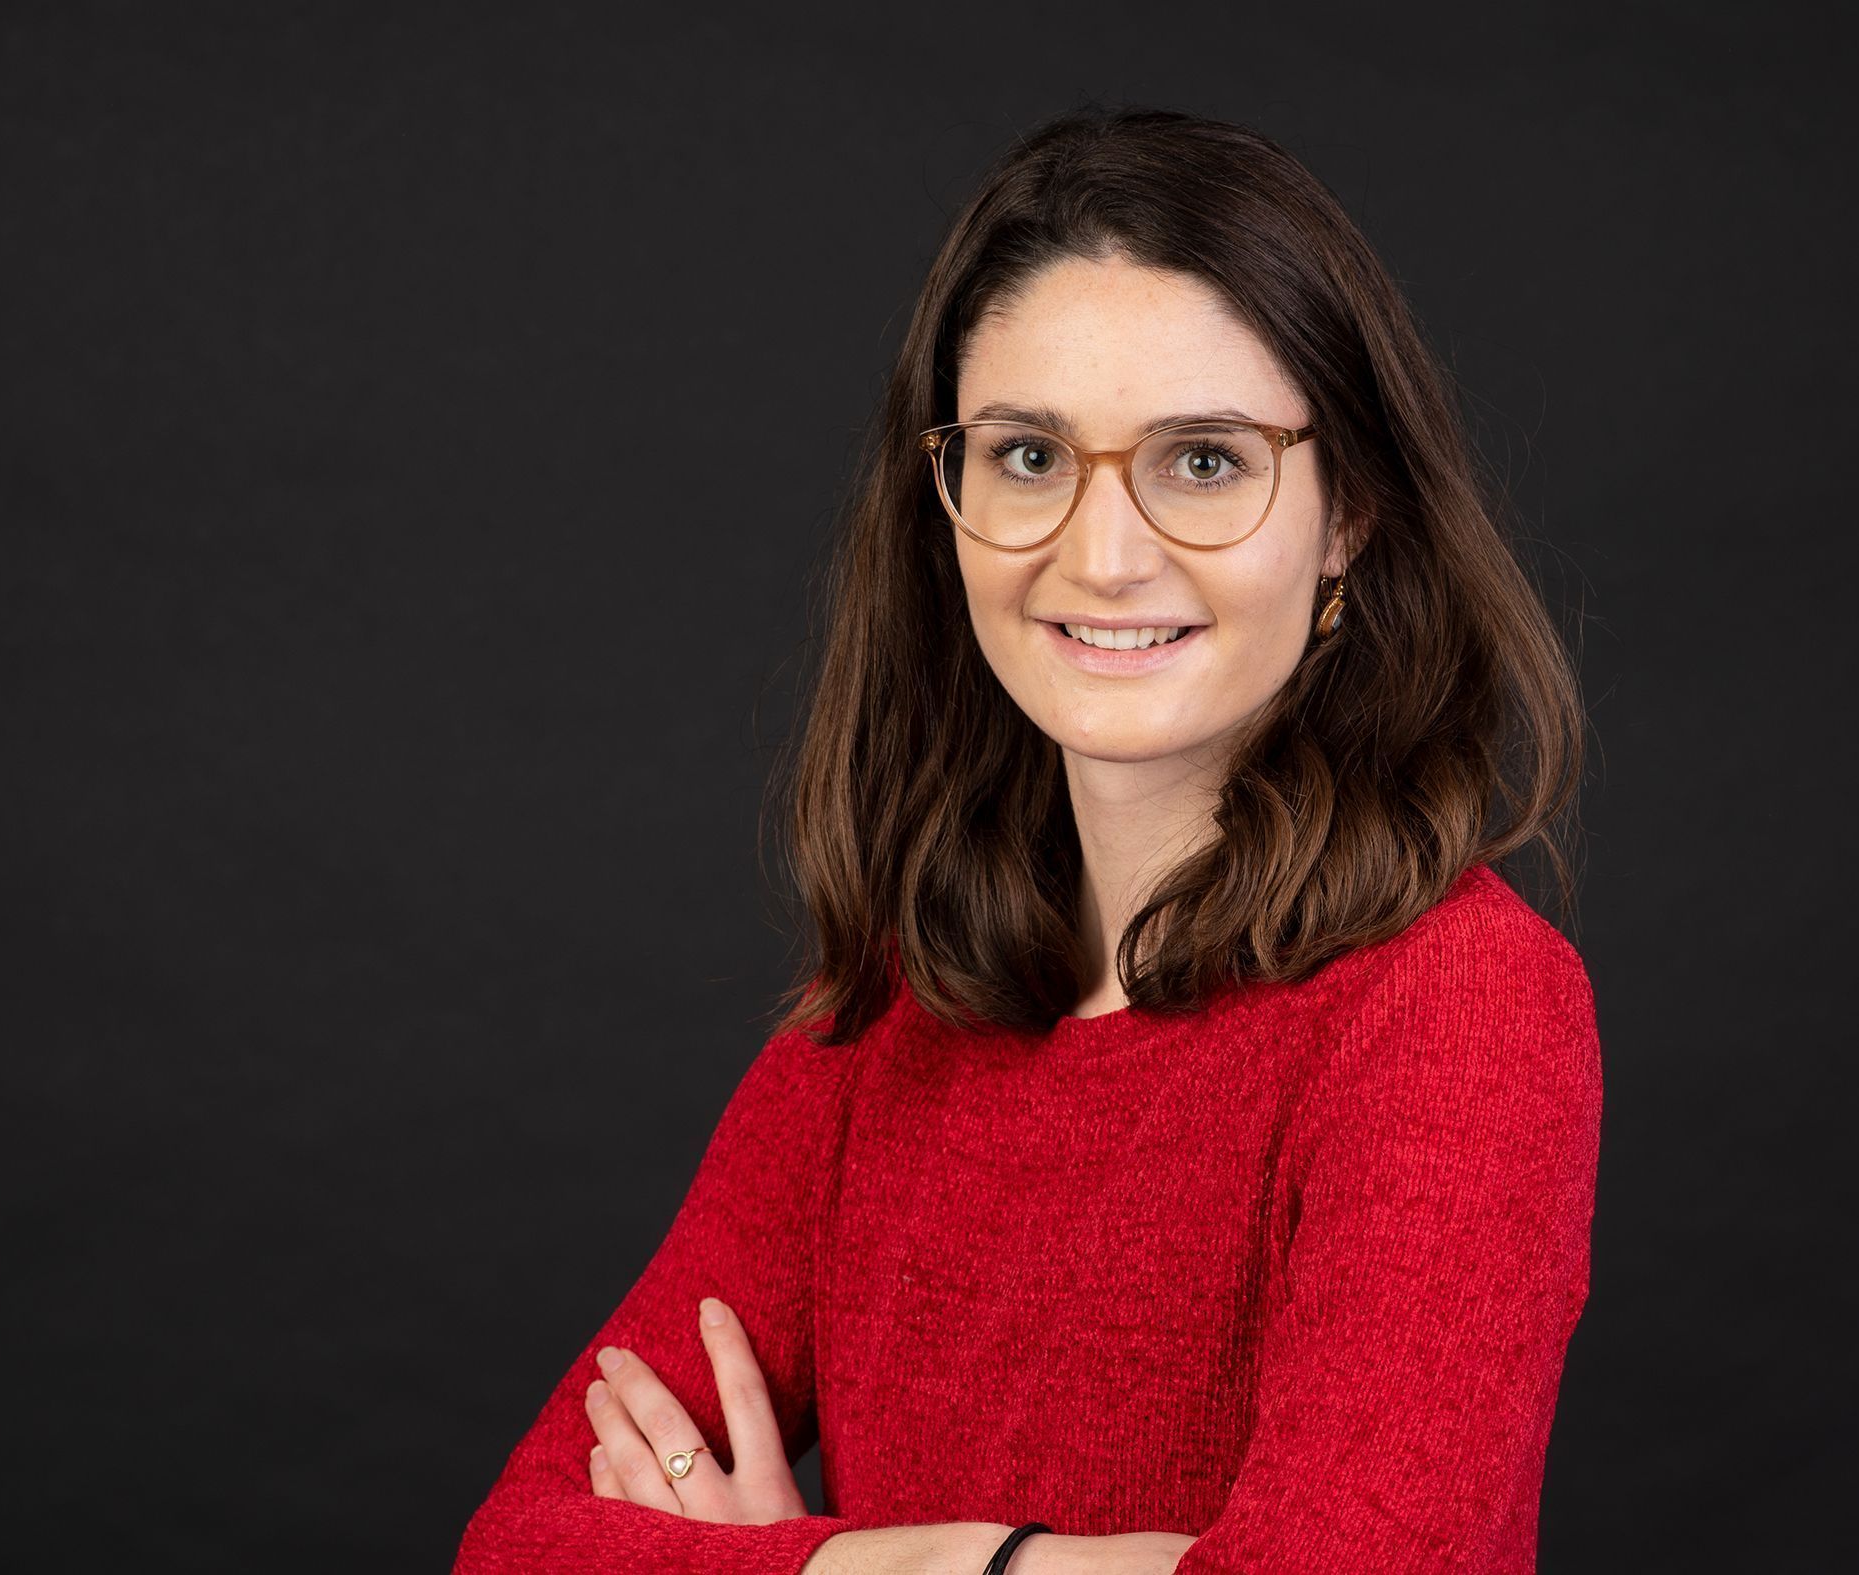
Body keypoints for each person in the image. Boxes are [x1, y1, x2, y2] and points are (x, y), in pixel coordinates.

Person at [452, 103, 1601, 1575]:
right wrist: (920, 1564)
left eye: (1204, 460)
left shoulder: (1460, 1009)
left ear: (1348, 516)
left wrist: (845, 1564)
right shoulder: (882, 1028)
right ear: (946, 498)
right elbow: (517, 1547)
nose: (1102, 556)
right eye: (1029, 455)